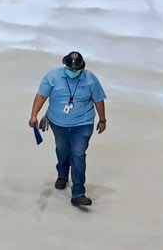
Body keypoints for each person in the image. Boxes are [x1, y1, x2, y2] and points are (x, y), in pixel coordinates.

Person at [29, 50, 108, 210]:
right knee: (62, 149)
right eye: (71, 70)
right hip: (58, 123)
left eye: (76, 70)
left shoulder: (90, 80)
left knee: (78, 154)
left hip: (83, 123)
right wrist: (34, 115)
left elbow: (99, 100)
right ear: (64, 66)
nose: (73, 73)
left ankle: (78, 193)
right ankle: (62, 174)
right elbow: (41, 96)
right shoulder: (52, 77)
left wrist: (102, 120)